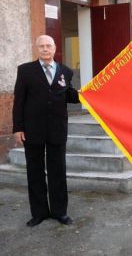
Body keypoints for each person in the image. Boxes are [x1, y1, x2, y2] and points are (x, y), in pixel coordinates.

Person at [12, 35, 80, 227]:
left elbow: (68, 94)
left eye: (48, 45)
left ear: (54, 47)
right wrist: (18, 128)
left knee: (58, 171)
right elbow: (19, 102)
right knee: (35, 172)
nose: (45, 49)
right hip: (32, 130)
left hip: (57, 129)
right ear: (36, 48)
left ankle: (60, 212)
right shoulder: (25, 71)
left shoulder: (65, 71)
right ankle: (39, 212)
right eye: (41, 46)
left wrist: (89, 94)